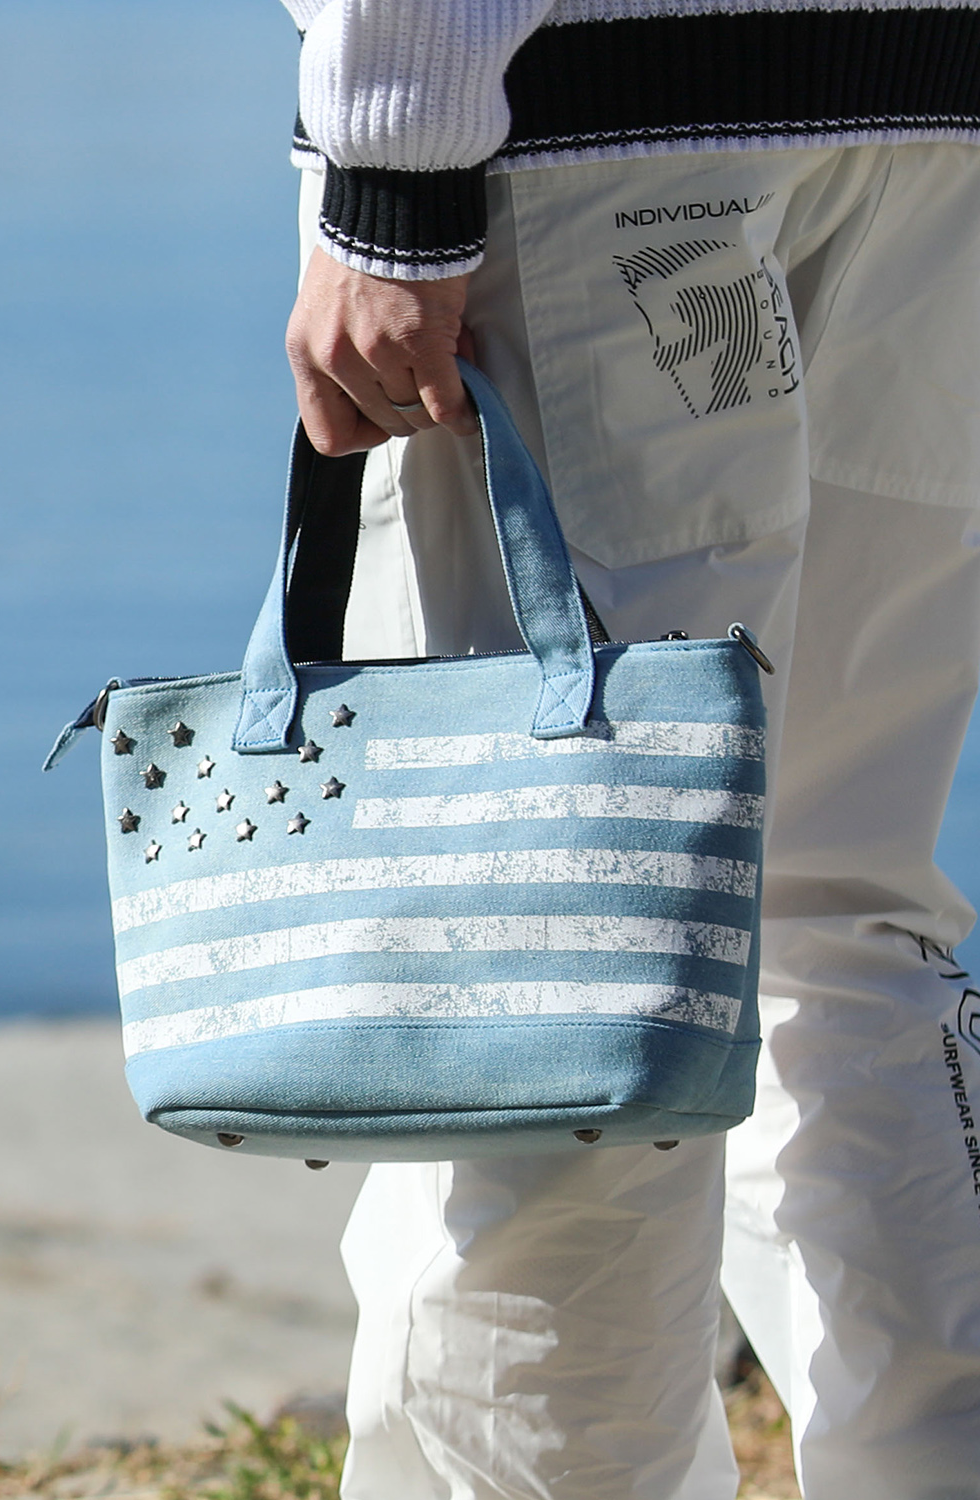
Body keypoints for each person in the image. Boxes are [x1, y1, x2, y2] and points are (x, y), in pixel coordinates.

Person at [276, 4, 980, 1496]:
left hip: (593, 124)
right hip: (929, 117)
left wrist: (394, 164)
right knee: (839, 916)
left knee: (556, 952)